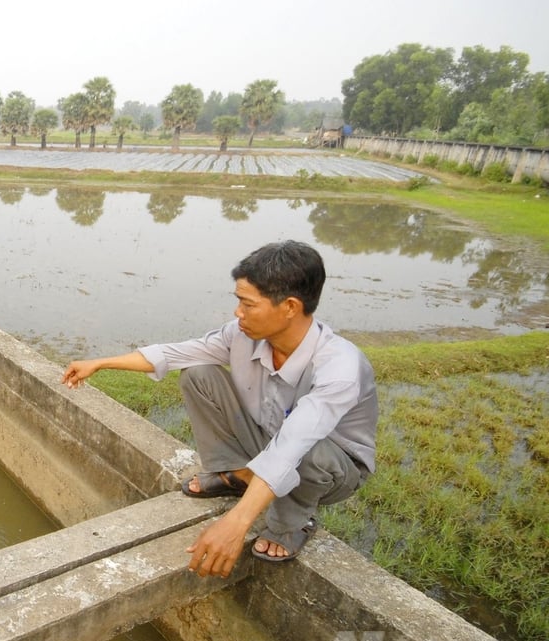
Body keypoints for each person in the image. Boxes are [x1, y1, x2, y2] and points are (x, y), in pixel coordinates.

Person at [60, 240, 378, 578]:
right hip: (271, 438)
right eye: (238, 301)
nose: (238, 313)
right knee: (198, 373)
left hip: (330, 467)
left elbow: (293, 445)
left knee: (307, 447)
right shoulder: (242, 336)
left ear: (289, 307)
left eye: (247, 304)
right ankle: (239, 473)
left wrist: (236, 523)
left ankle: (291, 523)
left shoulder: (339, 368)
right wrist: (101, 362)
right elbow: (177, 353)